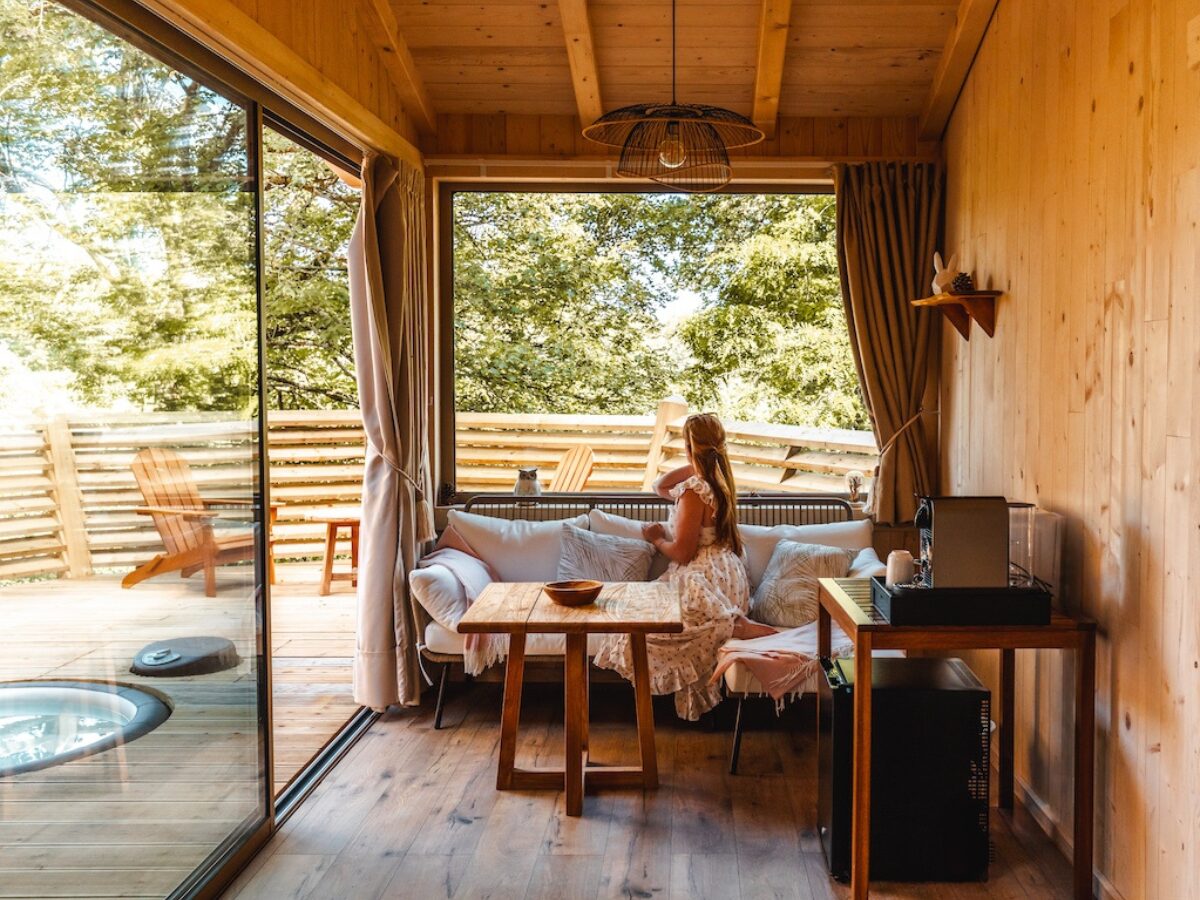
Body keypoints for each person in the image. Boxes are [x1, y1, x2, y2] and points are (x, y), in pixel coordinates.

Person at [593, 412, 774, 720]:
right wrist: (700, 461)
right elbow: (660, 485)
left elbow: (683, 553)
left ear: (689, 446)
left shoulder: (694, 492)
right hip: (726, 573)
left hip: (703, 576)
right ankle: (735, 625)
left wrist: (656, 539)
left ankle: (736, 626)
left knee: (639, 627)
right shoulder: (718, 482)